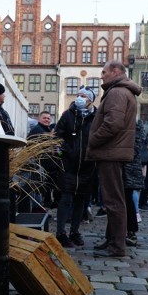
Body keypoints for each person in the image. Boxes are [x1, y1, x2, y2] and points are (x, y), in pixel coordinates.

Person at [86, 59, 141, 258]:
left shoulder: (117, 92)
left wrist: (92, 139)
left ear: (116, 71)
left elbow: (113, 124)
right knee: (115, 199)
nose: (102, 75)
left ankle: (117, 246)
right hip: (114, 151)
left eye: (104, 71)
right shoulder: (121, 91)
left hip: (110, 152)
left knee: (113, 201)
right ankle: (112, 240)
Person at [53, 87, 97, 248]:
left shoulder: (96, 117)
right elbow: (57, 135)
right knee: (65, 198)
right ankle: (61, 233)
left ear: (90, 99)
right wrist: (67, 151)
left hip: (87, 166)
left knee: (81, 200)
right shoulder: (68, 114)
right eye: (78, 95)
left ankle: (74, 232)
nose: (79, 98)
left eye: (83, 96)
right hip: (69, 165)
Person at [27, 111, 60, 209]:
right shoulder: (37, 130)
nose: (47, 120)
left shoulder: (46, 130)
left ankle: (44, 207)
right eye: (44, 118)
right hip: (40, 166)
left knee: (45, 190)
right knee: (40, 190)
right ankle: (38, 210)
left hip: (48, 167)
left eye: (48, 118)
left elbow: (57, 150)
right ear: (39, 119)